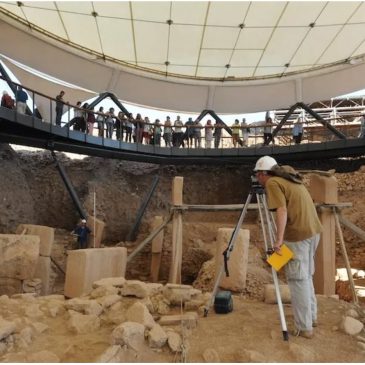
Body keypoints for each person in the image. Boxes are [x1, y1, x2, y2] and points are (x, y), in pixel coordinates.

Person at [253, 155, 322, 339]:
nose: (257, 179)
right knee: (306, 276)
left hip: (298, 236)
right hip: (313, 231)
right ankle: (311, 318)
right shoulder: (290, 178)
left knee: (298, 280)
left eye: (257, 175)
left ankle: (304, 327)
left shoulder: (273, 183)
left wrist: (278, 240)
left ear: (262, 174)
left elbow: (282, 211)